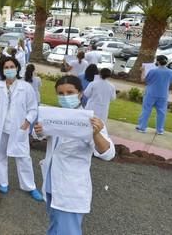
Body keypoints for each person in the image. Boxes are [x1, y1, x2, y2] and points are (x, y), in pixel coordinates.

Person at [34, 75, 115, 235]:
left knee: (68, 231)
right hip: (52, 183)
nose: (65, 97)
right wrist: (39, 131)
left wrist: (96, 134)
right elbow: (40, 135)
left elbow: (108, 154)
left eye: (70, 92)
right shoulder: (54, 116)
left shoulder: (91, 121)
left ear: (80, 93)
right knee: (54, 226)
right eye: (61, 94)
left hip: (70, 189)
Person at [0, 57, 43, 201]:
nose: (9, 69)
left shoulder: (26, 87)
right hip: (0, 127)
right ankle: (3, 183)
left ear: (17, 68)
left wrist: (26, 123)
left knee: (23, 157)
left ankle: (30, 186)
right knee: (0, 155)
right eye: (6, 67)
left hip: (19, 128)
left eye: (12, 66)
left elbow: (33, 108)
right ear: (2, 70)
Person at [136, 55, 172, 135]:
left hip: (151, 93)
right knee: (162, 112)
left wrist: (143, 70)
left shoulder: (153, 71)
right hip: (163, 94)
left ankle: (142, 127)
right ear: (166, 62)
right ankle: (160, 130)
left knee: (146, 110)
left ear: (157, 62)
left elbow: (144, 80)